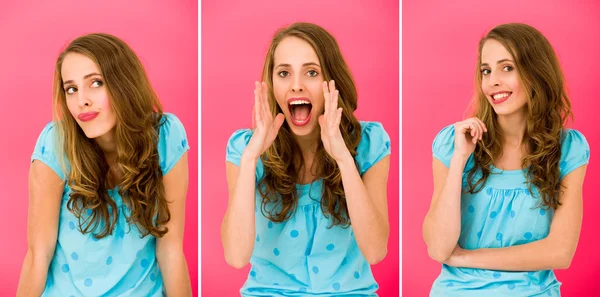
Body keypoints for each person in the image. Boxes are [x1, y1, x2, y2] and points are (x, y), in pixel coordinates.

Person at [221, 22, 392, 296]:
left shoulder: (369, 143)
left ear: (331, 82)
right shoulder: (244, 149)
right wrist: (252, 157)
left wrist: (344, 159)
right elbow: (235, 256)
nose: (296, 86)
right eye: (284, 73)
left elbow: (375, 251)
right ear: (272, 84)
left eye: (311, 72)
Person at [16, 33, 193, 297]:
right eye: (71, 89)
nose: (81, 101)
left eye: (96, 83)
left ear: (124, 84)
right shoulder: (55, 144)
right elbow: (37, 256)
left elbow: (170, 250)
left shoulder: (166, 137)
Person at [423, 23, 590, 296]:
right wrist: (459, 160)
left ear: (536, 72)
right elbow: (439, 248)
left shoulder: (568, 149)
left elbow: (560, 252)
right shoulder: (453, 142)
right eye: (486, 71)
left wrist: (465, 258)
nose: (493, 81)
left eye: (507, 68)